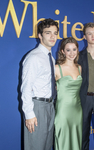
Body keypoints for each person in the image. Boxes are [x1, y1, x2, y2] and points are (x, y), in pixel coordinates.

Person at [21, 18, 59, 150]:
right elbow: (26, 88)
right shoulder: (34, 57)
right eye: (48, 33)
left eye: (55, 33)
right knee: (35, 146)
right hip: (37, 108)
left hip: (50, 106)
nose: (52, 36)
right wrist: (29, 114)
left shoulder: (50, 57)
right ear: (40, 35)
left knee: (47, 146)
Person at [54, 37, 83, 150]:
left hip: (77, 110)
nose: (72, 53)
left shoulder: (79, 68)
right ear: (62, 51)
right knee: (63, 140)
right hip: (63, 111)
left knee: (76, 139)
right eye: (68, 50)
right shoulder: (56, 68)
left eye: (74, 49)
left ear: (77, 50)